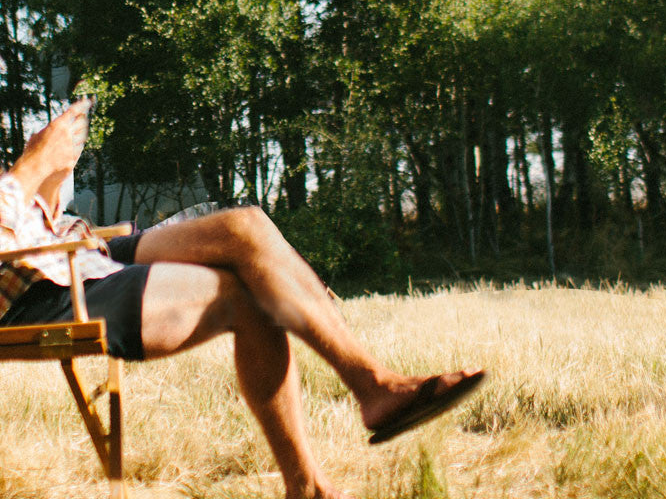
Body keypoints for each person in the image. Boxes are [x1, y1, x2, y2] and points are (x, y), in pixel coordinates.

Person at [0, 99, 484, 499]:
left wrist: (53, 172)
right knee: (246, 296)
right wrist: (35, 162)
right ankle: (310, 483)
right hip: (41, 284)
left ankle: (371, 383)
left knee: (245, 227)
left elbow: (28, 215)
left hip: (78, 247)